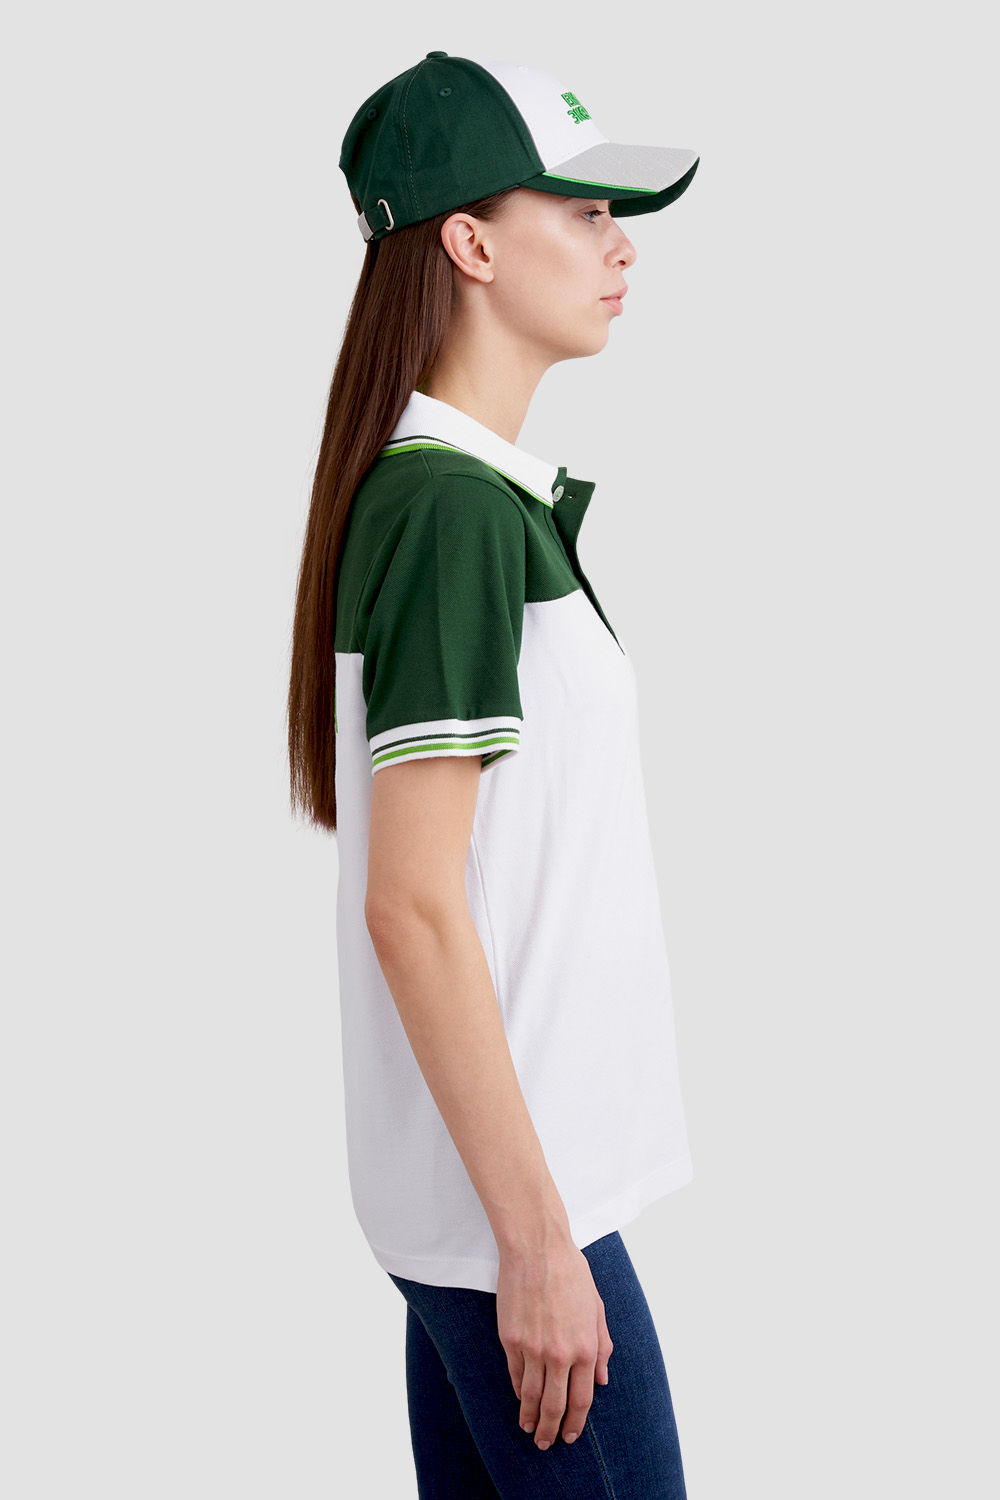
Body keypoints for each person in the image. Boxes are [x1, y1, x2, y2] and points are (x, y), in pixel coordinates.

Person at [288, 50, 700, 1499]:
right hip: (519, 1217)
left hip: (492, 1208)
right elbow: (410, 904)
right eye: (582, 212)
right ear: (468, 242)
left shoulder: (455, 497)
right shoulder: (450, 511)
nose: (620, 245)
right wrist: (534, 1242)